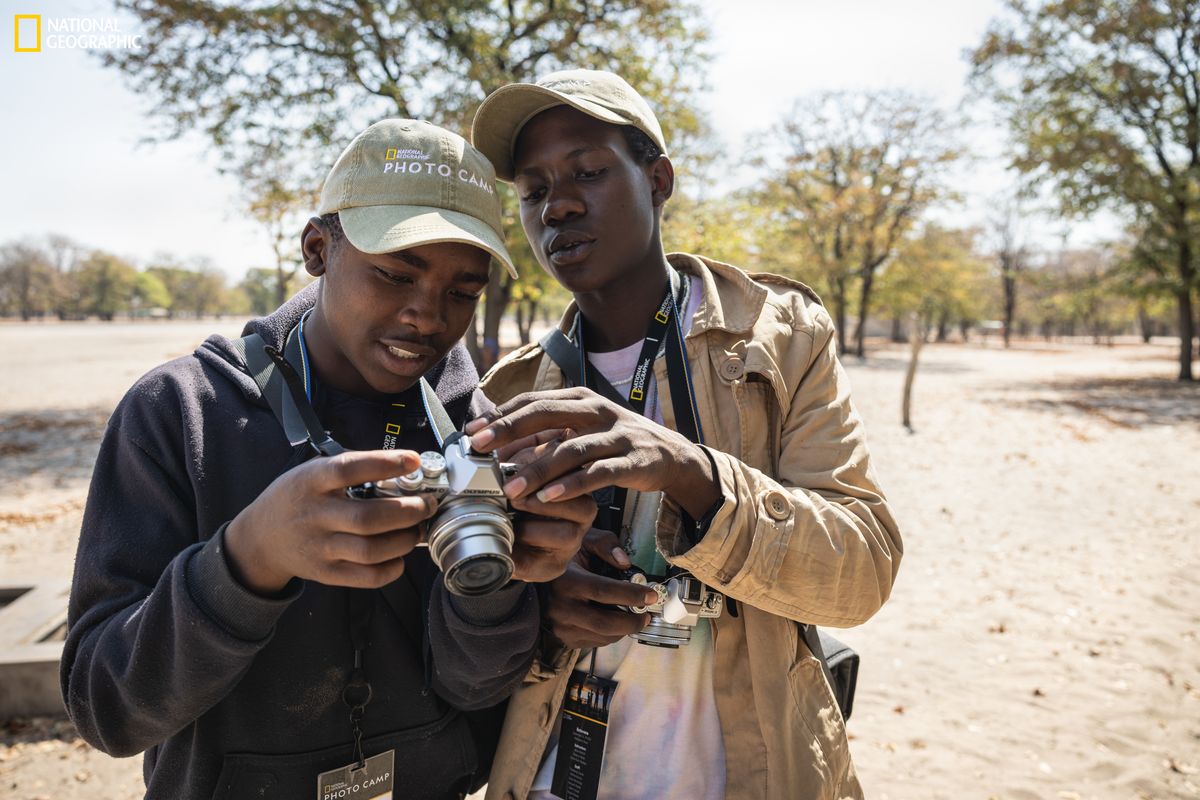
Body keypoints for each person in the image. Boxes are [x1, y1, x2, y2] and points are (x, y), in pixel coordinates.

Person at [61, 119, 596, 800]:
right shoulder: (177, 414)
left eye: (463, 290)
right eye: (395, 273)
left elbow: (474, 687)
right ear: (318, 248)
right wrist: (246, 560)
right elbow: (107, 710)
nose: (426, 315)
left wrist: (500, 584)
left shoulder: (471, 429)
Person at [467, 70, 904, 799]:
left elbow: (861, 574)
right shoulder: (508, 394)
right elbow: (465, 612)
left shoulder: (782, 337)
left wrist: (694, 475)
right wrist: (538, 609)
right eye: (534, 190)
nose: (560, 205)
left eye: (589, 171)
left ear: (658, 179)